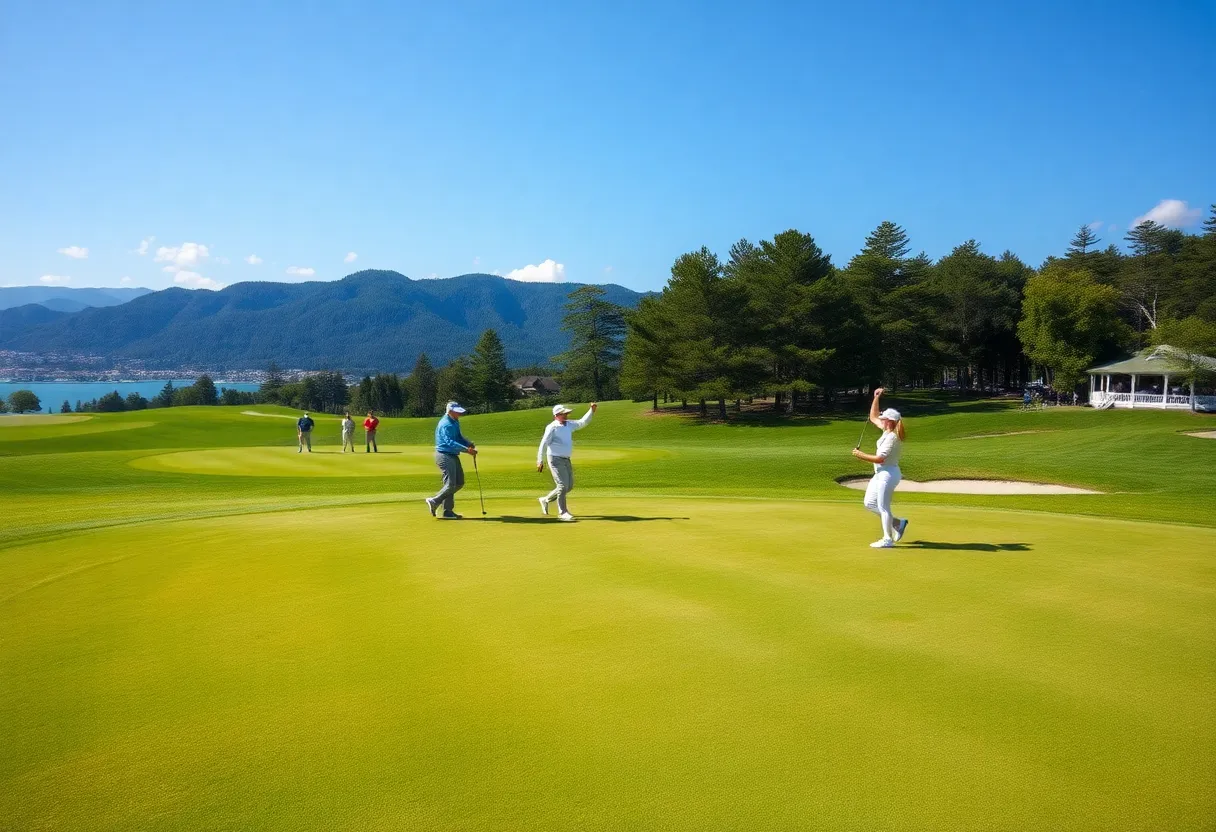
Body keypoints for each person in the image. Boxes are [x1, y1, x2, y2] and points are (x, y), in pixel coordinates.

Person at [850, 388, 908, 549]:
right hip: (880, 474)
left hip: (888, 474)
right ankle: (898, 523)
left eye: (884, 419)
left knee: (883, 507)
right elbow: (873, 416)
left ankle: (887, 539)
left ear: (890, 421)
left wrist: (860, 455)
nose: (880, 420)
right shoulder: (886, 430)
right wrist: (876, 397)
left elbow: (880, 459)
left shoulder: (892, 438)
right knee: (869, 503)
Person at [536, 402, 598, 522]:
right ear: (556, 415)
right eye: (563, 414)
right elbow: (543, 444)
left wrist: (591, 410)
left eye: (566, 414)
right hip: (554, 459)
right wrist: (540, 460)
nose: (566, 416)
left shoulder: (568, 424)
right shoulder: (552, 427)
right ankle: (563, 512)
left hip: (566, 459)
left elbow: (582, 422)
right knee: (562, 486)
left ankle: (545, 499)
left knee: (568, 487)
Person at [425, 401, 476, 519]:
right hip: (444, 455)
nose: (459, 414)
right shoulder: (446, 424)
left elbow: (458, 437)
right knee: (451, 484)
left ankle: (443, 508)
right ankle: (437, 503)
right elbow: (450, 442)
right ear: (450, 411)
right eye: (457, 412)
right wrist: (467, 450)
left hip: (452, 455)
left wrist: (468, 444)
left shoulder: (454, 421)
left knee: (459, 483)